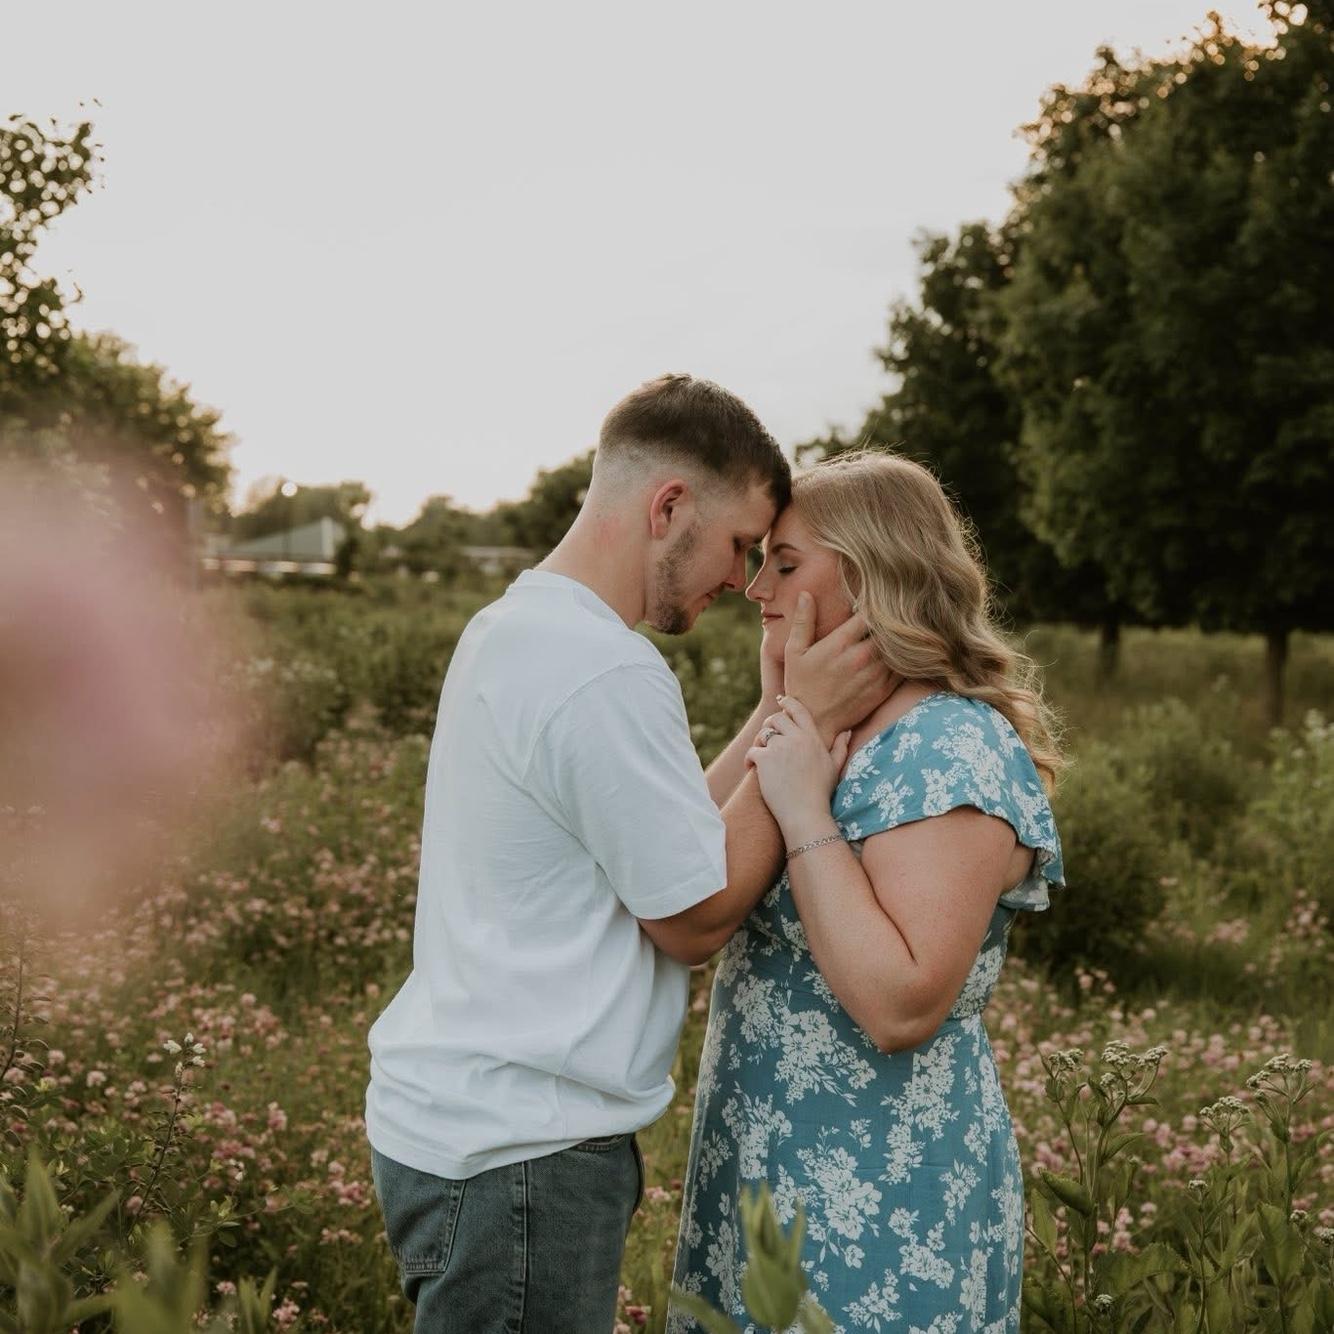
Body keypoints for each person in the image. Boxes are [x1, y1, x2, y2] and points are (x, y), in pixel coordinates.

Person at [365, 375, 892, 1332]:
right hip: (522, 1154)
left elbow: (670, 834)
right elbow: (693, 914)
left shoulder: (515, 627)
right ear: (669, 507)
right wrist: (810, 724)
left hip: (465, 1127)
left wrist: (777, 710)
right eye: (739, 544)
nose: (742, 582)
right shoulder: (604, 667)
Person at [669, 450, 1065, 1333]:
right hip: (762, 1172)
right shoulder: (823, 723)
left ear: (871, 570)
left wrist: (805, 810)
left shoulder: (948, 746)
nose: (755, 588)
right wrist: (780, 708)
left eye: (785, 563)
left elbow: (901, 1004)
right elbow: (686, 873)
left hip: (883, 1197)